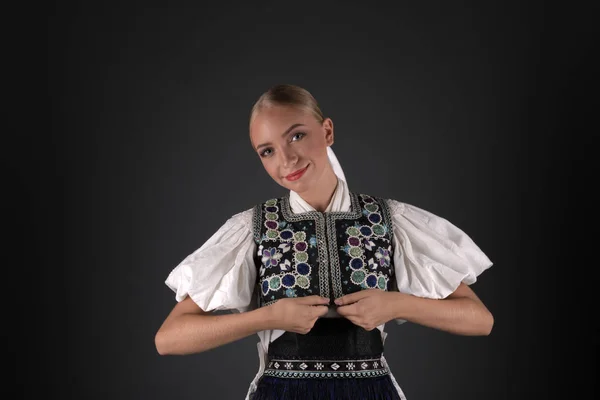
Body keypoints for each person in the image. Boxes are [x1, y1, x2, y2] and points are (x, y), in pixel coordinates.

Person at [155, 84, 494, 400]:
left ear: (327, 131)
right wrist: (267, 317)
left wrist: (396, 305)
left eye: (297, 136)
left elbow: (479, 319)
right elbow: (169, 338)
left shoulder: (389, 219)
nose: (285, 160)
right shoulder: (253, 227)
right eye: (267, 151)